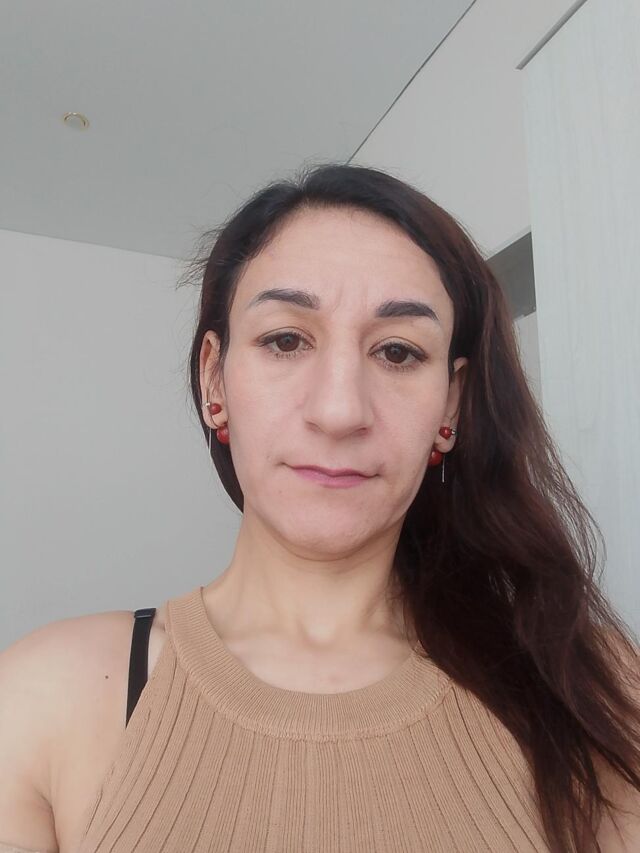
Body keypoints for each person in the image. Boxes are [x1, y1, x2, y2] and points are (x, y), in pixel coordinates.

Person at [1, 164, 639, 853]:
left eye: (398, 351)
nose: (339, 410)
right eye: (285, 340)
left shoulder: (590, 685)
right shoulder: (42, 697)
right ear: (215, 378)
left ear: (450, 405)